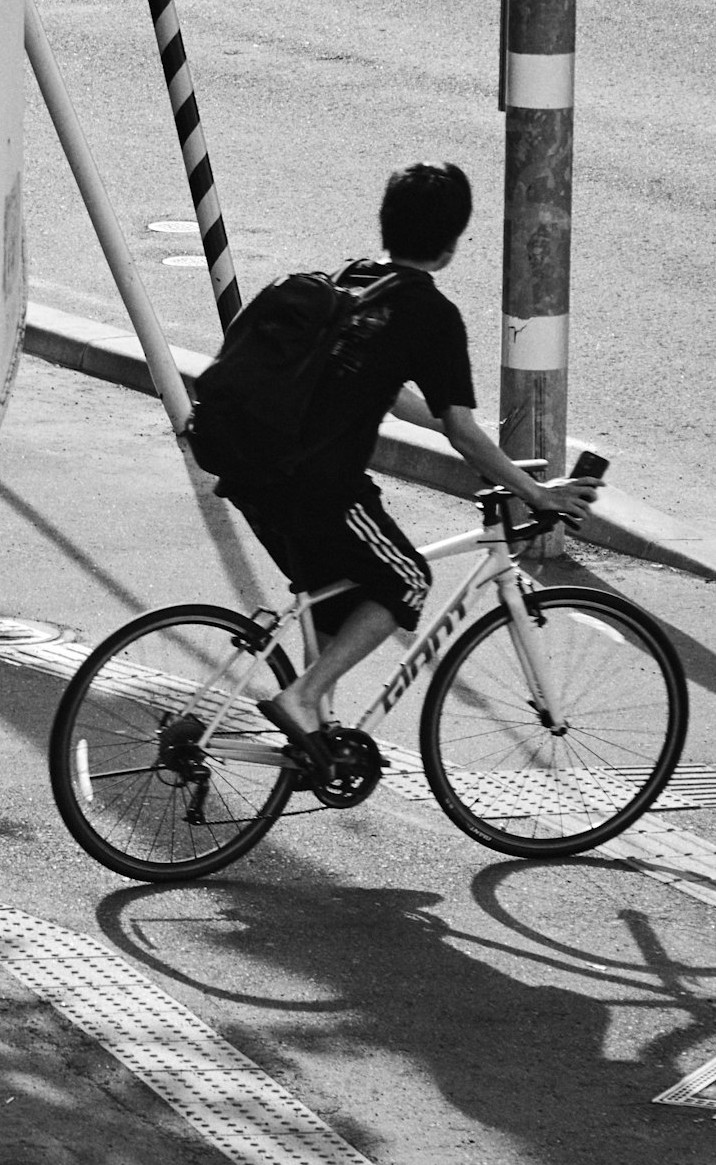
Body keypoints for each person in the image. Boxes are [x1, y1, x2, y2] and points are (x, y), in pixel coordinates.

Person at [232, 161, 604, 753]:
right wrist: (536, 494)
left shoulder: (352, 282)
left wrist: (494, 450)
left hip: (251, 472)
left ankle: (314, 738)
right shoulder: (429, 314)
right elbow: (458, 431)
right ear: (454, 242)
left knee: (345, 595)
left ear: (387, 221)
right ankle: (302, 700)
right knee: (407, 578)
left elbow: (398, 399)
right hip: (316, 486)